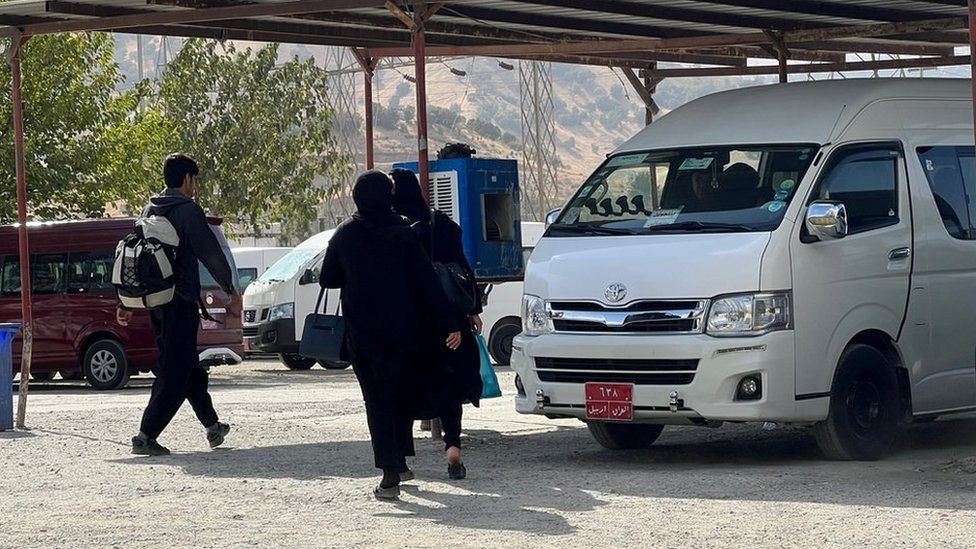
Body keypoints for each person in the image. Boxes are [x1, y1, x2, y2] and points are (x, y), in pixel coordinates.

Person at [319, 170, 461, 500]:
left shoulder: (345, 234)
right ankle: (400, 460)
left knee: (376, 400)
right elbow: (428, 282)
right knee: (400, 394)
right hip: (405, 332)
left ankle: (390, 472)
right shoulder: (404, 234)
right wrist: (449, 323)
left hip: (363, 335)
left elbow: (328, 278)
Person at [117, 154, 236, 457]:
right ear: (187, 179)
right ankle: (146, 435)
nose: (195, 186)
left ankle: (212, 426)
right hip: (180, 301)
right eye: (194, 180)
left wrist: (125, 302)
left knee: (186, 364)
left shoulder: (150, 208)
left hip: (156, 301)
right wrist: (228, 285)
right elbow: (208, 251)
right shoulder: (187, 211)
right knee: (176, 369)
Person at [390, 168, 483, 481]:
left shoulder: (390, 227)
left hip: (408, 321)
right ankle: (453, 447)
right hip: (449, 319)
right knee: (449, 382)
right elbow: (462, 266)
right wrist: (472, 309)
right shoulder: (438, 222)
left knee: (402, 385)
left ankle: (400, 459)